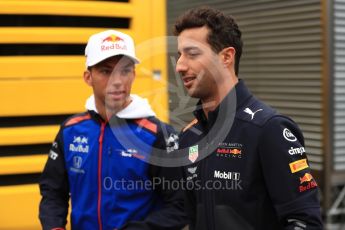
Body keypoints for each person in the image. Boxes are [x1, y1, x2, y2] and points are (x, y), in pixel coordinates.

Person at [174, 7, 323, 230]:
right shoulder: (188, 137)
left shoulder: (269, 129)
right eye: (180, 55)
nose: (180, 66)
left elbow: (304, 221)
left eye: (192, 54)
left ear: (226, 57)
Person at [39, 29, 186, 230]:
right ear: (88, 77)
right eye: (106, 71)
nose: (117, 81)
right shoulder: (70, 130)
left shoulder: (157, 135)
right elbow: (53, 191)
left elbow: (180, 206)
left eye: (125, 70)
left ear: (134, 74)